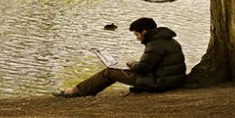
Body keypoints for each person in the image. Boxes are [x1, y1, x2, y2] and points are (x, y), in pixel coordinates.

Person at [54, 17, 186, 97]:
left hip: (160, 83)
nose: (137, 38)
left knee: (109, 72)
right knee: (116, 69)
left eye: (137, 35)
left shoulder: (155, 45)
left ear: (144, 32)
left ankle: (77, 92)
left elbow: (143, 69)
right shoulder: (168, 40)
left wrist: (132, 64)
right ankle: (82, 90)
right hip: (171, 81)